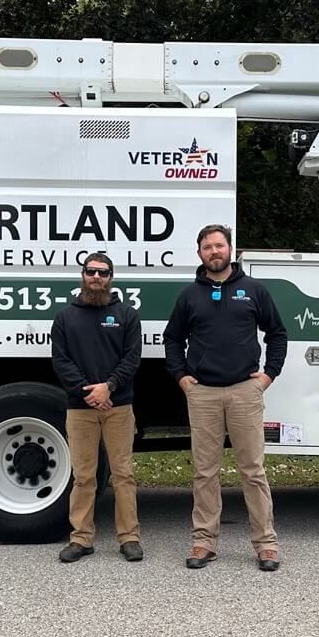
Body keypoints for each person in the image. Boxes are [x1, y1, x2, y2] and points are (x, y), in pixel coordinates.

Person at [163, 225, 287, 572]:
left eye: (219, 245)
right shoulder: (190, 296)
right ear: (200, 253)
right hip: (202, 393)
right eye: (207, 247)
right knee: (205, 472)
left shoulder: (254, 291)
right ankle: (203, 542)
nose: (214, 251)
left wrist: (267, 376)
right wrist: (182, 377)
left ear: (230, 249)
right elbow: (172, 339)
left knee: (253, 470)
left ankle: (266, 544)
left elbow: (277, 333)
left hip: (244, 391)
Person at [50, 253, 143, 563]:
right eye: (91, 271)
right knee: (83, 476)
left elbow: (131, 358)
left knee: (123, 474)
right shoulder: (65, 318)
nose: (96, 277)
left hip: (118, 406)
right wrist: (87, 392)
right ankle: (81, 539)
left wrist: (109, 387)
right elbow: (61, 361)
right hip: (80, 409)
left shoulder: (127, 315)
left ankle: (129, 538)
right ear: (83, 275)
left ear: (111, 278)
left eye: (103, 272)